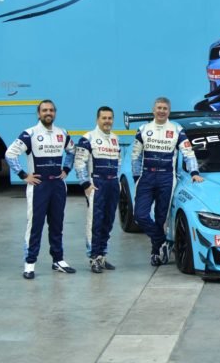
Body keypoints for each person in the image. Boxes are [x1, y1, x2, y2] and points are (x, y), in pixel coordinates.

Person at [5, 100, 76, 279]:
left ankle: (58, 260)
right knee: (35, 226)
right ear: (38, 114)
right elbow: (10, 154)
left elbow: (72, 151)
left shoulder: (62, 133)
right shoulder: (29, 133)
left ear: (55, 113)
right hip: (39, 186)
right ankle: (29, 264)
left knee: (57, 224)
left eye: (51, 110)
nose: (48, 113)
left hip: (58, 185)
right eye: (44, 110)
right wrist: (23, 175)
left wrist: (66, 169)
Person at [131, 97, 203, 266]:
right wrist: (136, 177)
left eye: (165, 108)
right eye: (159, 108)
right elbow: (135, 156)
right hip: (146, 177)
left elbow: (188, 153)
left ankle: (156, 253)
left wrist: (194, 172)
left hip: (166, 178)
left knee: (161, 218)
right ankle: (161, 240)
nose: (161, 111)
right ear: (153, 110)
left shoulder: (177, 129)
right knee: (140, 215)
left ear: (169, 111)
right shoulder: (143, 129)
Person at [74, 106, 121, 273]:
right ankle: (93, 257)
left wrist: (117, 181)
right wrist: (85, 183)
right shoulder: (88, 138)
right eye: (104, 118)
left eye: (110, 118)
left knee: (108, 220)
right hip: (97, 183)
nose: (107, 121)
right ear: (97, 119)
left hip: (112, 183)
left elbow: (119, 161)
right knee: (95, 222)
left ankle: (102, 255)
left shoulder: (115, 138)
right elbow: (79, 162)